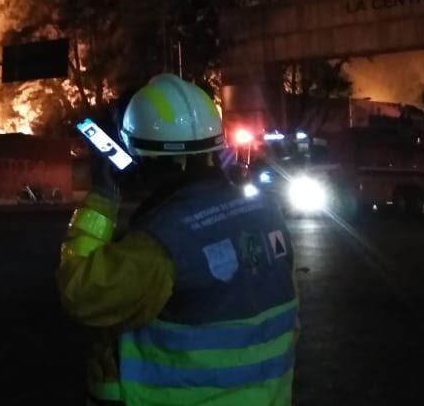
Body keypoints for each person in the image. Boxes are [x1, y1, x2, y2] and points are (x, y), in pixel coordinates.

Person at [58, 73, 299, 405]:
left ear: (139, 159)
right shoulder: (264, 212)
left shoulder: (161, 243)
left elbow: (81, 294)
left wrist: (102, 195)